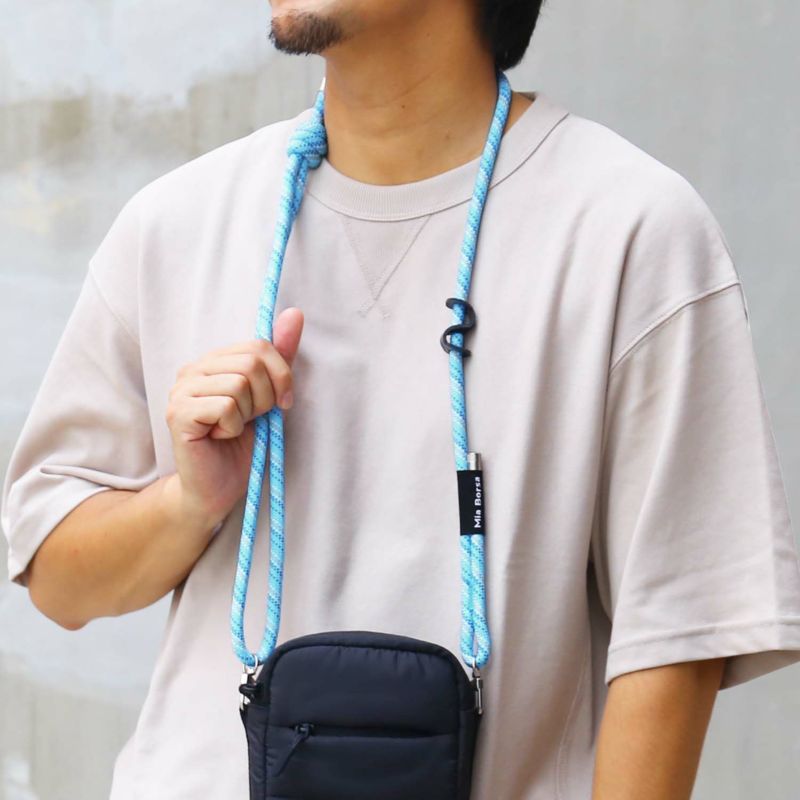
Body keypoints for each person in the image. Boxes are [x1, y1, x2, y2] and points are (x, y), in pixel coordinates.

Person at [3, 1, 800, 798]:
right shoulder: (175, 224)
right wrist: (188, 503)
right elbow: (57, 582)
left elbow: (676, 637)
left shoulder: (630, 230)